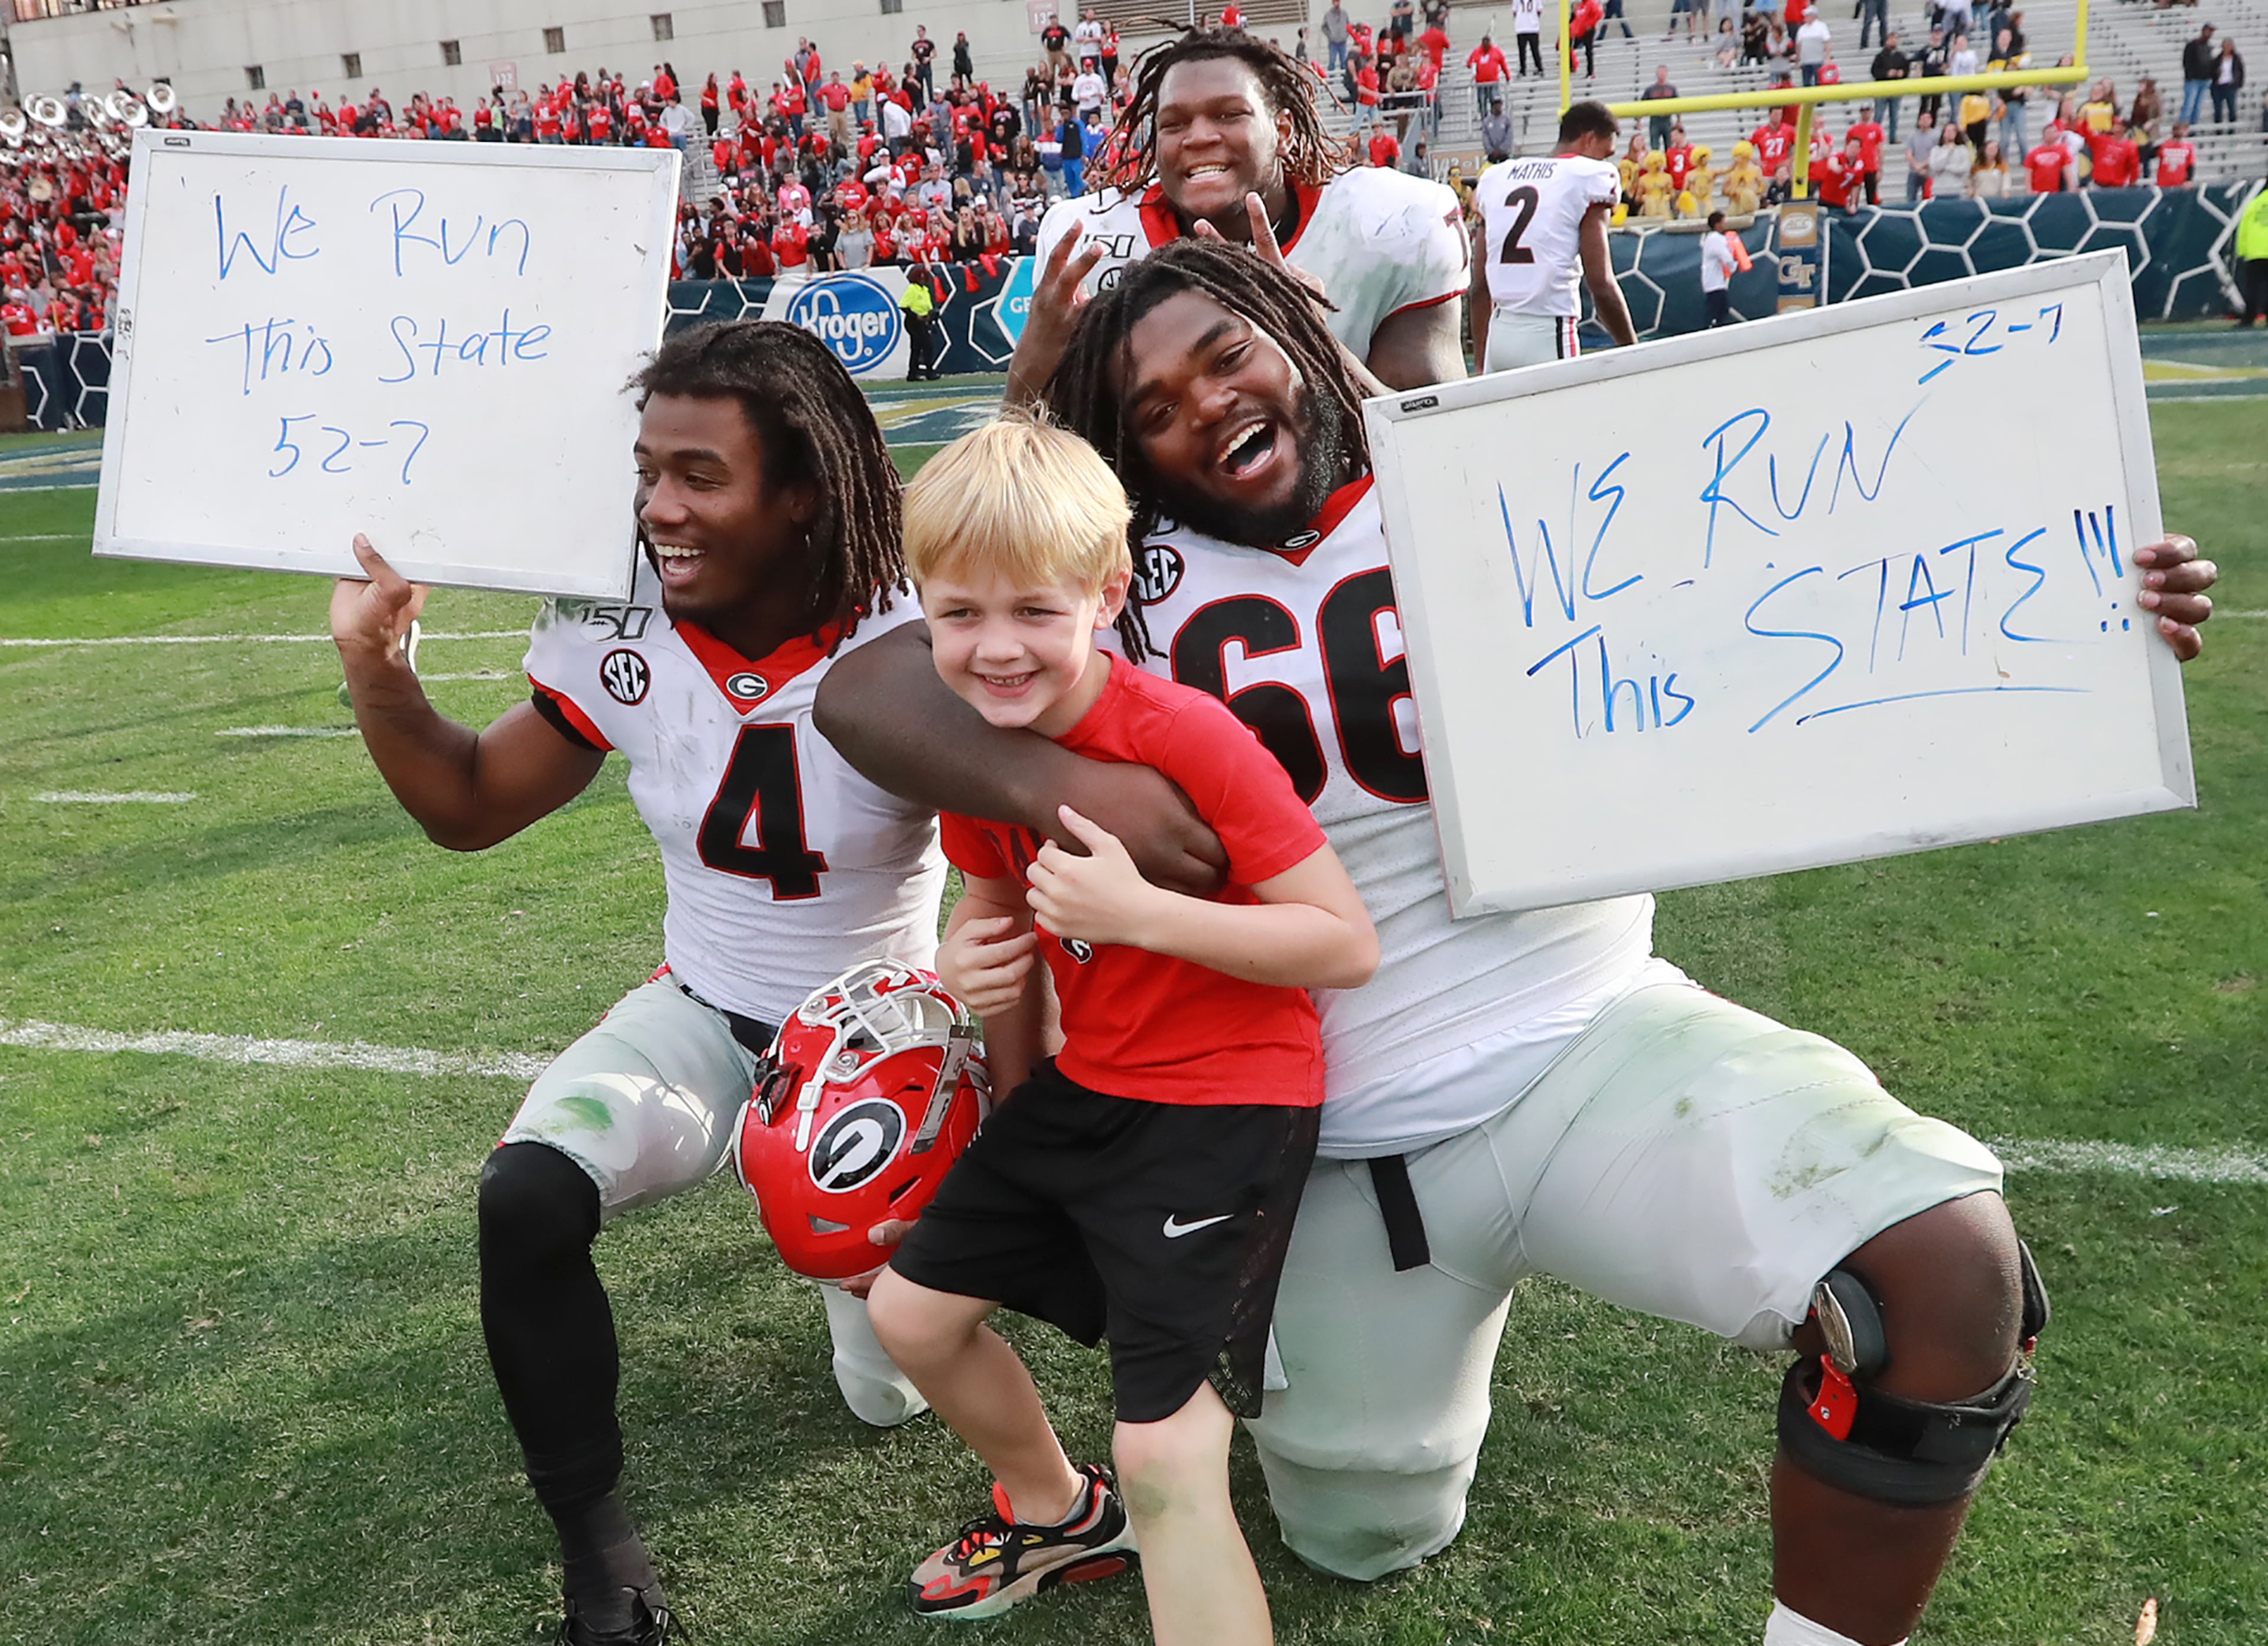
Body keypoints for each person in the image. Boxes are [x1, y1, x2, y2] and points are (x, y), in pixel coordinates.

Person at [813, 233, 2224, 1646]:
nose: (1203, 408)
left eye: (1223, 357)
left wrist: (2088, 594)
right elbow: (874, 686)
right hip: (1323, 1137)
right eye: (1154, 404)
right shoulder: (1122, 583)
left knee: (1938, 1262)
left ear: (1294, 337)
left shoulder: (1492, 480)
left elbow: (1846, 569)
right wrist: (1072, 779)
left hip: (1587, 1030)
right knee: (1362, 1530)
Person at [328, 322, 947, 1646]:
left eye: (699, 475)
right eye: (646, 469)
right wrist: (380, 679)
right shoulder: (627, 614)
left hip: (876, 1041)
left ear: (806, 494)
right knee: (527, 1194)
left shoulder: (920, 621)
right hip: (705, 1014)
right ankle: (600, 1558)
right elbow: (476, 802)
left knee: (888, 1379)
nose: (659, 506)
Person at [866, 416, 1379, 1637]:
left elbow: (1342, 942)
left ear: (1105, 594)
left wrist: (1143, 913)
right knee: (909, 1313)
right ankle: (1053, 1509)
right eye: (960, 615)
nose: (996, 650)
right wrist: (972, 965)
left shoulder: (1181, 734)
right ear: (922, 606)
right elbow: (999, 911)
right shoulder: (981, 750)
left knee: (1161, 1451)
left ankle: (1129, 1497)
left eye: (1035, 612)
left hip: (1226, 1103)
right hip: (1088, 1089)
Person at [1016, 29, 1468, 399]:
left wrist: (1311, 343)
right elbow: (1032, 461)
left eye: (1229, 114)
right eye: (1174, 124)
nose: (1198, 137)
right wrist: (1035, 358)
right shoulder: (1091, 239)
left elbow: (1430, 448)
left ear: (1283, 131)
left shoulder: (1390, 223)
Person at [1471, 100, 1637, 369]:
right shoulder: (1588, 176)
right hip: (1550, 332)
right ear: (1589, 139)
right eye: (1606, 154)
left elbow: (1479, 286)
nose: (1607, 161)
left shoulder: (1497, 177)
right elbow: (1601, 284)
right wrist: (1633, 351)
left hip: (1499, 333)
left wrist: (1481, 363)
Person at [2236, 178, 2268, 325]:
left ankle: (2249, 318)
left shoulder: (2255, 203)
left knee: (2253, 287)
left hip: (2255, 251)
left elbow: (2244, 229)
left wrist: (2242, 251)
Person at [900, 268, 940, 380]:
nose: (922, 280)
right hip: (913, 322)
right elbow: (903, 306)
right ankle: (929, 372)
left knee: (917, 347)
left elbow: (929, 307)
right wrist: (916, 316)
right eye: (920, 278)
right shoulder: (912, 289)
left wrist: (930, 316)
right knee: (926, 346)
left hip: (924, 321)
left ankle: (913, 373)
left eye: (924, 278)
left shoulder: (925, 290)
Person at [2179, 24, 2216, 128]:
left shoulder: (2208, 47)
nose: (2210, 34)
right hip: (2193, 80)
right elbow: (2186, 62)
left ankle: (2193, 127)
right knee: (2189, 105)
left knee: (2198, 106)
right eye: (2209, 31)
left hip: (2204, 80)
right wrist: (2190, 76)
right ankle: (2183, 126)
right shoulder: (2193, 45)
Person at [1641, 64, 1680, 148]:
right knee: (1654, 145)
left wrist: (1679, 120)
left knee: (1669, 145)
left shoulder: (1672, 89)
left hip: (1667, 120)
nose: (1662, 75)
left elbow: (1678, 105)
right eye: (1660, 72)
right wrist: (1639, 120)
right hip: (1655, 120)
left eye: (1663, 72)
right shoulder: (1650, 90)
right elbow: (1642, 105)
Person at [2210, 39, 2246, 126]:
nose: (2227, 48)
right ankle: (2218, 129)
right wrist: (2217, 73)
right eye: (2225, 46)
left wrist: (2239, 84)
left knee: (2232, 108)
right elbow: (2211, 72)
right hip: (2218, 86)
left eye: (2229, 46)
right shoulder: (2218, 59)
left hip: (2230, 86)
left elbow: (2241, 71)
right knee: (2218, 109)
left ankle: (2232, 128)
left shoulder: (2236, 59)